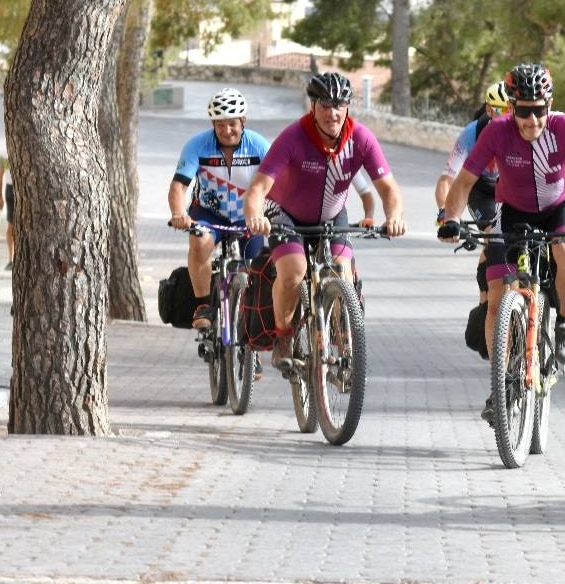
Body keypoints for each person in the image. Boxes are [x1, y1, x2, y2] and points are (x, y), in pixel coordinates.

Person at [438, 63, 565, 423]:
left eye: (539, 110)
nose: (532, 121)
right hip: (514, 211)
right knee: (496, 298)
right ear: (512, 107)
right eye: (523, 111)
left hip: (560, 207)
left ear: (549, 105)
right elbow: (465, 181)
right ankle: (500, 386)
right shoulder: (498, 131)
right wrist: (451, 219)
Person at [243, 71, 407, 373]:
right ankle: (284, 337)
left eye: (339, 105)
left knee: (342, 272)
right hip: (285, 213)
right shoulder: (293, 137)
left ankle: (343, 340)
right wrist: (254, 216)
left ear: (347, 107)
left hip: (333, 215)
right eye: (325, 105)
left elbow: (388, 188)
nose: (333, 112)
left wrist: (393, 216)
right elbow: (257, 189)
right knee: (294, 271)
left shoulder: (361, 139)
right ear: (313, 106)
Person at [169, 88, 270, 330]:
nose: (226, 131)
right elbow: (178, 186)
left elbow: (278, 184)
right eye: (220, 125)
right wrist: (178, 213)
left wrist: (270, 215)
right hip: (208, 214)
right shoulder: (197, 145)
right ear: (213, 123)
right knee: (200, 243)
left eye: (232, 124)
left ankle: (250, 355)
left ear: (243, 121)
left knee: (255, 274)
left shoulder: (259, 145)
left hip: (248, 217)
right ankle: (203, 304)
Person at [435, 81, 509, 315]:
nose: (505, 116)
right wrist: (445, 213)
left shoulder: (523, 131)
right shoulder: (472, 133)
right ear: (488, 109)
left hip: (509, 188)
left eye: (510, 110)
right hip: (480, 189)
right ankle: (485, 299)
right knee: (491, 233)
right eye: (499, 110)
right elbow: (447, 179)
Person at [0, 156, 15, 271]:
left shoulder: (3, 155)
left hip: (10, 189)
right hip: (22, 187)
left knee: (11, 224)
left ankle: (11, 259)